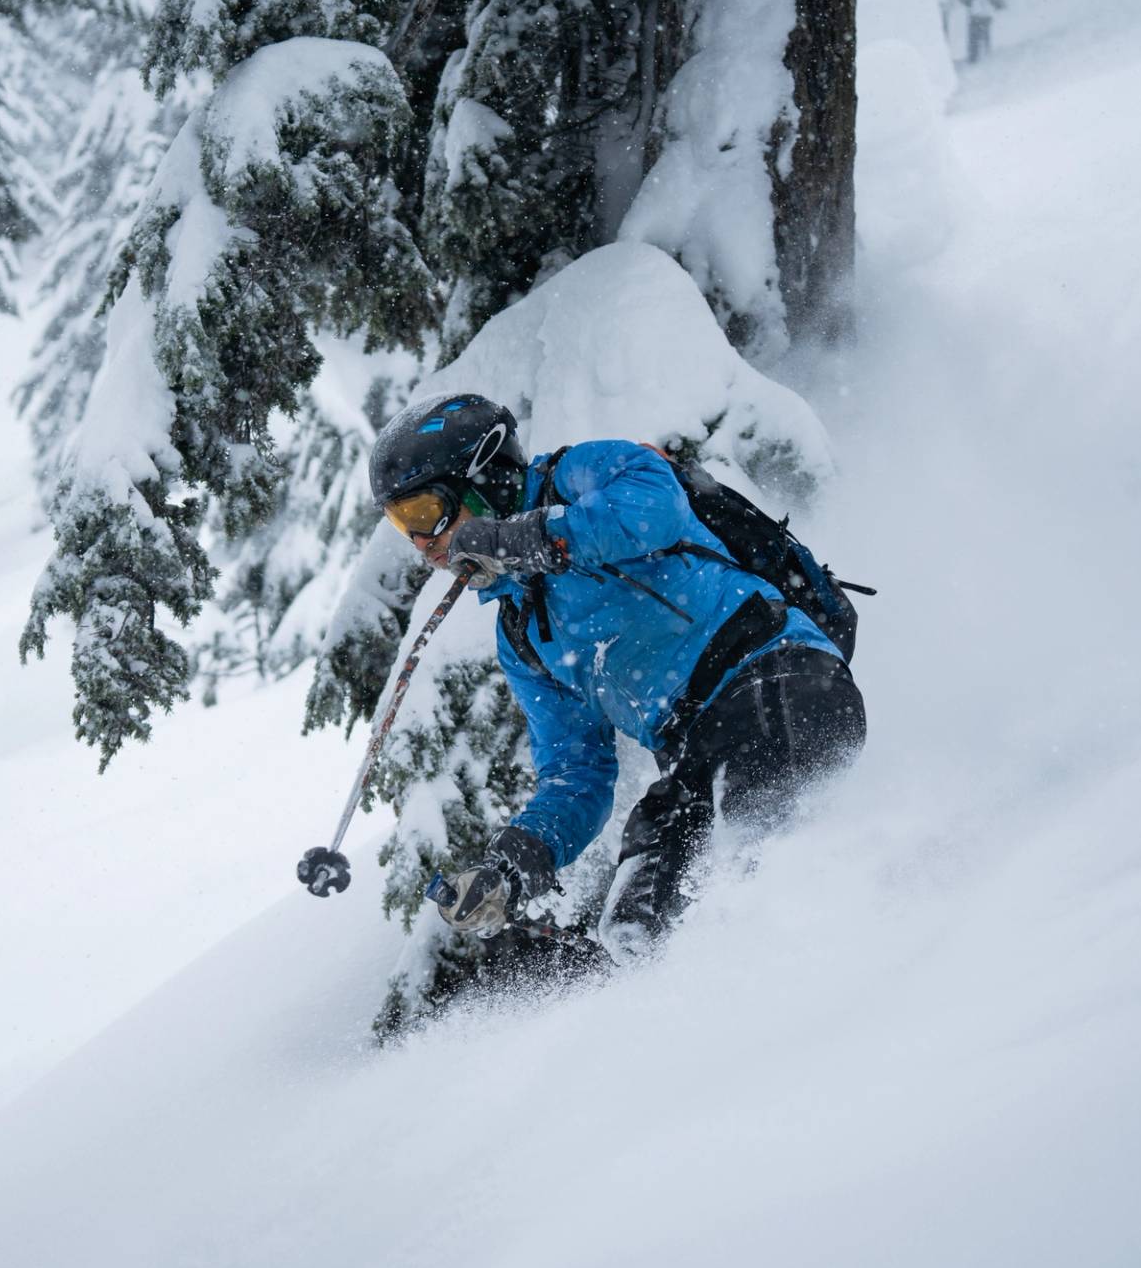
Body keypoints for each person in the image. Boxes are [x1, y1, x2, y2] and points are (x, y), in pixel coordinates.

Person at [371, 393, 867, 963]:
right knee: (638, 929)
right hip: (692, 757)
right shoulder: (523, 632)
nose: (422, 545)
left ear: (484, 478)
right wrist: (514, 863)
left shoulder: (578, 476)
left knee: (758, 841)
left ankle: (895, 941)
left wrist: (528, 540)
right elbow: (576, 774)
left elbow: (655, 505)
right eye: (400, 526)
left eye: (422, 514)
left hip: (777, 673)